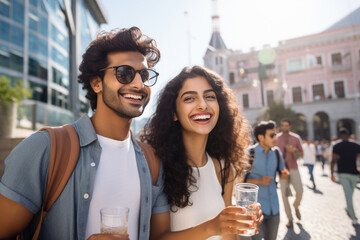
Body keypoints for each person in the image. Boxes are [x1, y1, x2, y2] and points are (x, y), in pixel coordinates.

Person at [0, 27, 170, 240]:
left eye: (144, 75)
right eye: (124, 73)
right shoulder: (45, 148)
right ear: (97, 83)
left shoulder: (152, 161)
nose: (139, 84)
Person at [141, 66, 263, 240]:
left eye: (210, 97)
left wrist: (238, 224)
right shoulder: (157, 165)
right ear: (174, 113)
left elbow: (228, 236)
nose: (203, 105)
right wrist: (211, 228)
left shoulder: (224, 167)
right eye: (189, 98)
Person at [245, 121, 288, 240]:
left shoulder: (277, 153)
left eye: (275, 135)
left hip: (274, 208)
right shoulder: (249, 153)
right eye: (272, 135)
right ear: (260, 137)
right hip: (255, 211)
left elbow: (283, 171)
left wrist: (285, 174)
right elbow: (240, 183)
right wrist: (259, 180)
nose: (275, 138)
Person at [275, 119, 303, 228]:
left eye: (286, 125)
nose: (284, 127)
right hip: (282, 169)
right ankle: (290, 219)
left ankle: (296, 206)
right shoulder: (277, 138)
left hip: (293, 166)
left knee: (300, 191)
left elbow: (301, 153)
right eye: (283, 125)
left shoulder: (296, 138)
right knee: (284, 195)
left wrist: (294, 150)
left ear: (289, 126)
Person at [331, 128, 360, 226]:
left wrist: (332, 174)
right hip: (351, 173)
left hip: (346, 173)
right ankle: (354, 217)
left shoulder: (337, 146)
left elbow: (333, 160)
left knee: (349, 195)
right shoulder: (355, 145)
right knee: (349, 195)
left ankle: (349, 208)